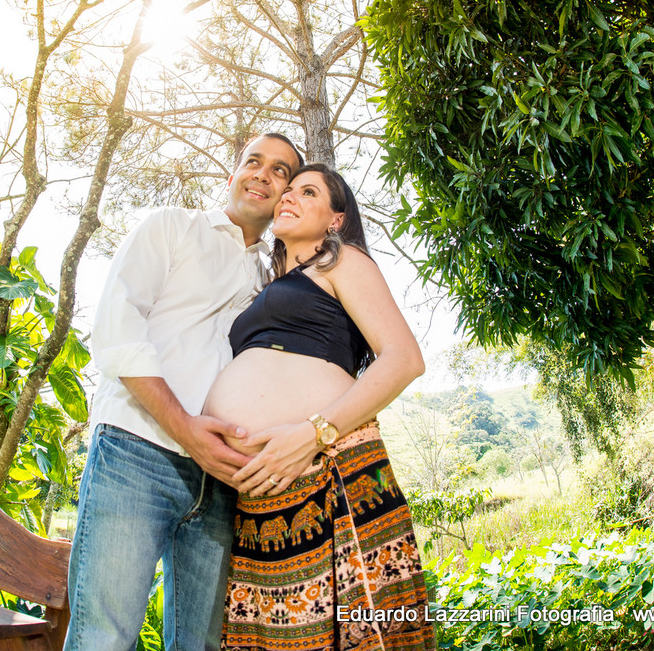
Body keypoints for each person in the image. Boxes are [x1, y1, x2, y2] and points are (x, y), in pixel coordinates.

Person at [64, 133, 303, 651]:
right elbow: (117, 331)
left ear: (286, 195)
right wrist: (184, 429)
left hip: (221, 481)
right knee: (104, 637)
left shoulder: (275, 282)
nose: (263, 174)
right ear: (233, 174)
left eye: (280, 170)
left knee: (203, 645)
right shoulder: (170, 227)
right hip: (135, 453)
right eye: (253, 162)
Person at [204, 163, 437, 651]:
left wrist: (313, 433)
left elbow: (404, 359)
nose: (287, 197)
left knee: (365, 633)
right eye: (286, 192)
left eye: (306, 192)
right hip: (262, 500)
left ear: (336, 219)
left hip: (332, 470)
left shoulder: (341, 261)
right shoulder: (262, 288)